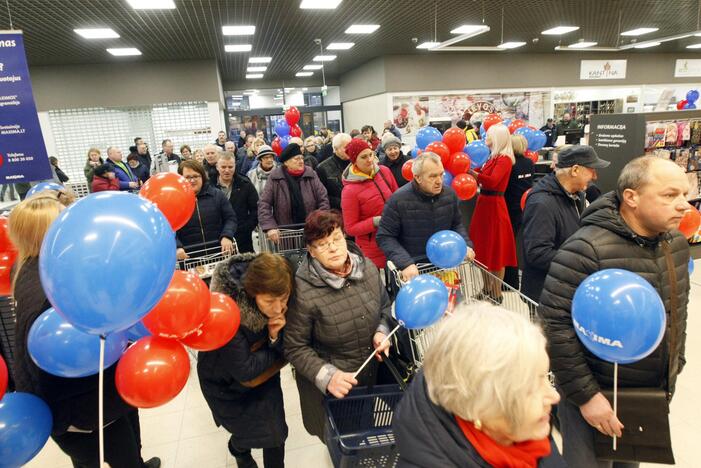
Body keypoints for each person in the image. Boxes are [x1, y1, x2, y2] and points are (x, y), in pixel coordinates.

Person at [539, 156, 691, 468]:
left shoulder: (674, 243)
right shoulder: (585, 249)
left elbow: (678, 309)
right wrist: (586, 397)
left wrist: (675, 365)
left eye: (685, 195)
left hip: (643, 395)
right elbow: (555, 327)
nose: (684, 206)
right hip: (593, 398)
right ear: (631, 197)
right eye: (670, 195)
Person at [9, 190, 161, 468]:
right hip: (86, 410)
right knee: (120, 458)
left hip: (81, 404)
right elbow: (67, 358)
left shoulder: (28, 267)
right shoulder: (51, 293)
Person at [393, 304, 564, 467]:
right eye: (531, 388)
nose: (555, 396)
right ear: (480, 408)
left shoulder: (529, 431)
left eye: (544, 378)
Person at [285, 210, 392, 441]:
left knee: (366, 429)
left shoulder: (367, 268)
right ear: (311, 251)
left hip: (369, 377)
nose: (333, 248)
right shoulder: (302, 291)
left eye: (336, 239)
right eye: (322, 244)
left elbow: (385, 306)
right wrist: (328, 376)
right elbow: (295, 347)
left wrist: (382, 331)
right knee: (344, 442)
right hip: (335, 390)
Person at [202, 253, 294, 468]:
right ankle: (239, 449)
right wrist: (274, 341)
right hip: (225, 382)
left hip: (263, 375)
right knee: (247, 429)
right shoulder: (227, 312)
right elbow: (245, 369)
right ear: (253, 294)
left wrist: (274, 340)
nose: (279, 308)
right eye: (270, 301)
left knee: (275, 433)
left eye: (284, 298)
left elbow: (288, 343)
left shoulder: (281, 285)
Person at [520, 145, 608, 302]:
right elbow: (537, 254)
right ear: (575, 170)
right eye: (591, 169)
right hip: (545, 295)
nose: (595, 176)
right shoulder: (541, 203)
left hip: (565, 289)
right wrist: (581, 261)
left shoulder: (577, 195)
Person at [377, 152, 474, 281]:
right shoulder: (398, 200)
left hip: (445, 265)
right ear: (417, 177)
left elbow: (456, 224)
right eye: (432, 176)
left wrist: (465, 245)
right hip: (413, 269)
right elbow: (385, 236)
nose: (439, 181)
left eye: (441, 174)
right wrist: (405, 263)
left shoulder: (449, 194)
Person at [468, 124, 517, 302]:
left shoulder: (503, 159)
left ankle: (496, 292)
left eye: (488, 135)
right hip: (485, 206)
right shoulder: (492, 158)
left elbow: (493, 181)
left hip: (494, 207)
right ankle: (487, 288)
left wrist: (473, 174)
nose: (484, 137)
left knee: (496, 253)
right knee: (483, 251)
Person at [341, 138, 398, 268]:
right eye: (364, 157)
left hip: (396, 238)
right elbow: (350, 228)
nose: (370, 159)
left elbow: (397, 197)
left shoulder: (384, 172)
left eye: (371, 154)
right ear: (354, 161)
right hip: (372, 248)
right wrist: (375, 221)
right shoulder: (349, 191)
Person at [258, 143, 329, 244]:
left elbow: (323, 199)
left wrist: (320, 221)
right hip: (285, 234)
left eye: (301, 158)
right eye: (296, 159)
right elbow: (264, 204)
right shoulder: (275, 177)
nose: (301, 161)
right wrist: (270, 227)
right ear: (286, 162)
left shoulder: (311, 174)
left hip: (312, 231)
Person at [176, 160, 237, 260]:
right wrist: (177, 247)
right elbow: (169, 230)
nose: (192, 180)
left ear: (203, 177)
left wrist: (227, 236)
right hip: (190, 258)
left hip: (220, 253)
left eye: (196, 176)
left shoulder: (217, 195)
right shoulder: (176, 201)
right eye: (187, 177)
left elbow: (231, 218)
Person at [503, 134, 534, 289]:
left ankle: (510, 281)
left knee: (509, 245)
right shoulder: (529, 163)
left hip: (509, 208)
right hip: (524, 207)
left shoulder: (510, 164)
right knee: (517, 244)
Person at [215, 152, 259, 253]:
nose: (227, 170)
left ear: (235, 166)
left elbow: (255, 208)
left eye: (230, 167)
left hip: (243, 236)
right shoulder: (210, 186)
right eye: (223, 167)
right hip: (218, 238)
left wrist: (247, 227)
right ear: (217, 166)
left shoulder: (245, 184)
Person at [315, 133, 351, 210]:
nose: (349, 149)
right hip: (337, 212)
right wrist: (342, 202)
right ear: (336, 149)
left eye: (351, 146)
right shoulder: (322, 168)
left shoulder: (356, 163)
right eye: (346, 147)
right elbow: (322, 195)